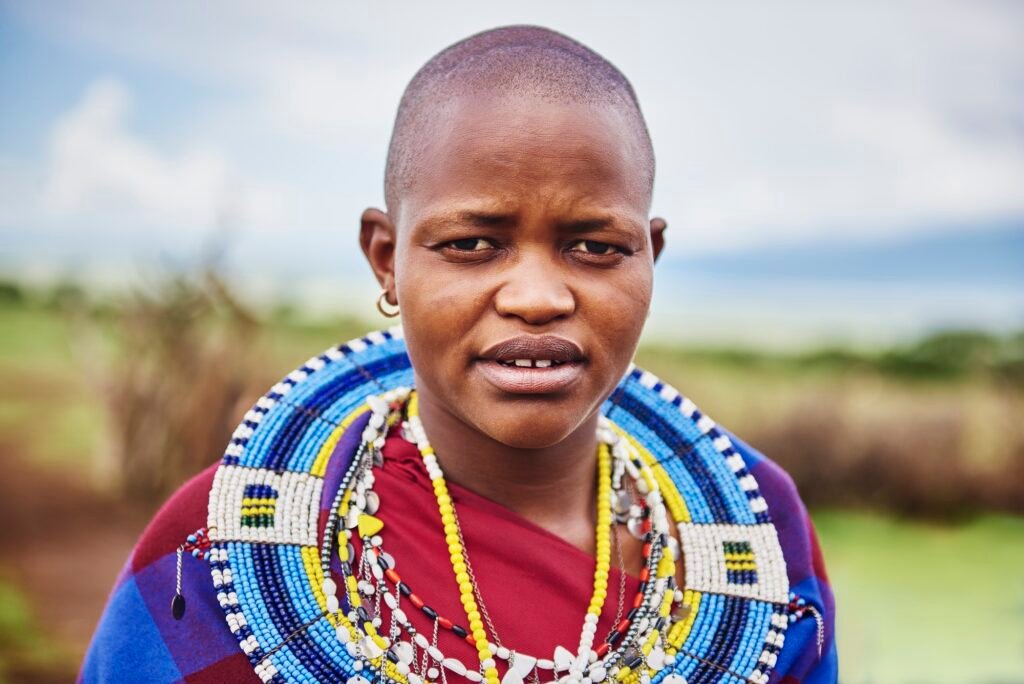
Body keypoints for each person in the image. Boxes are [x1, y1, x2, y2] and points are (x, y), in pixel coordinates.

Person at [80, 25, 837, 684]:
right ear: (387, 260)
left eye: (597, 247)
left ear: (651, 255)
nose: (538, 296)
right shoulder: (224, 547)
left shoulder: (755, 529)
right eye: (472, 244)